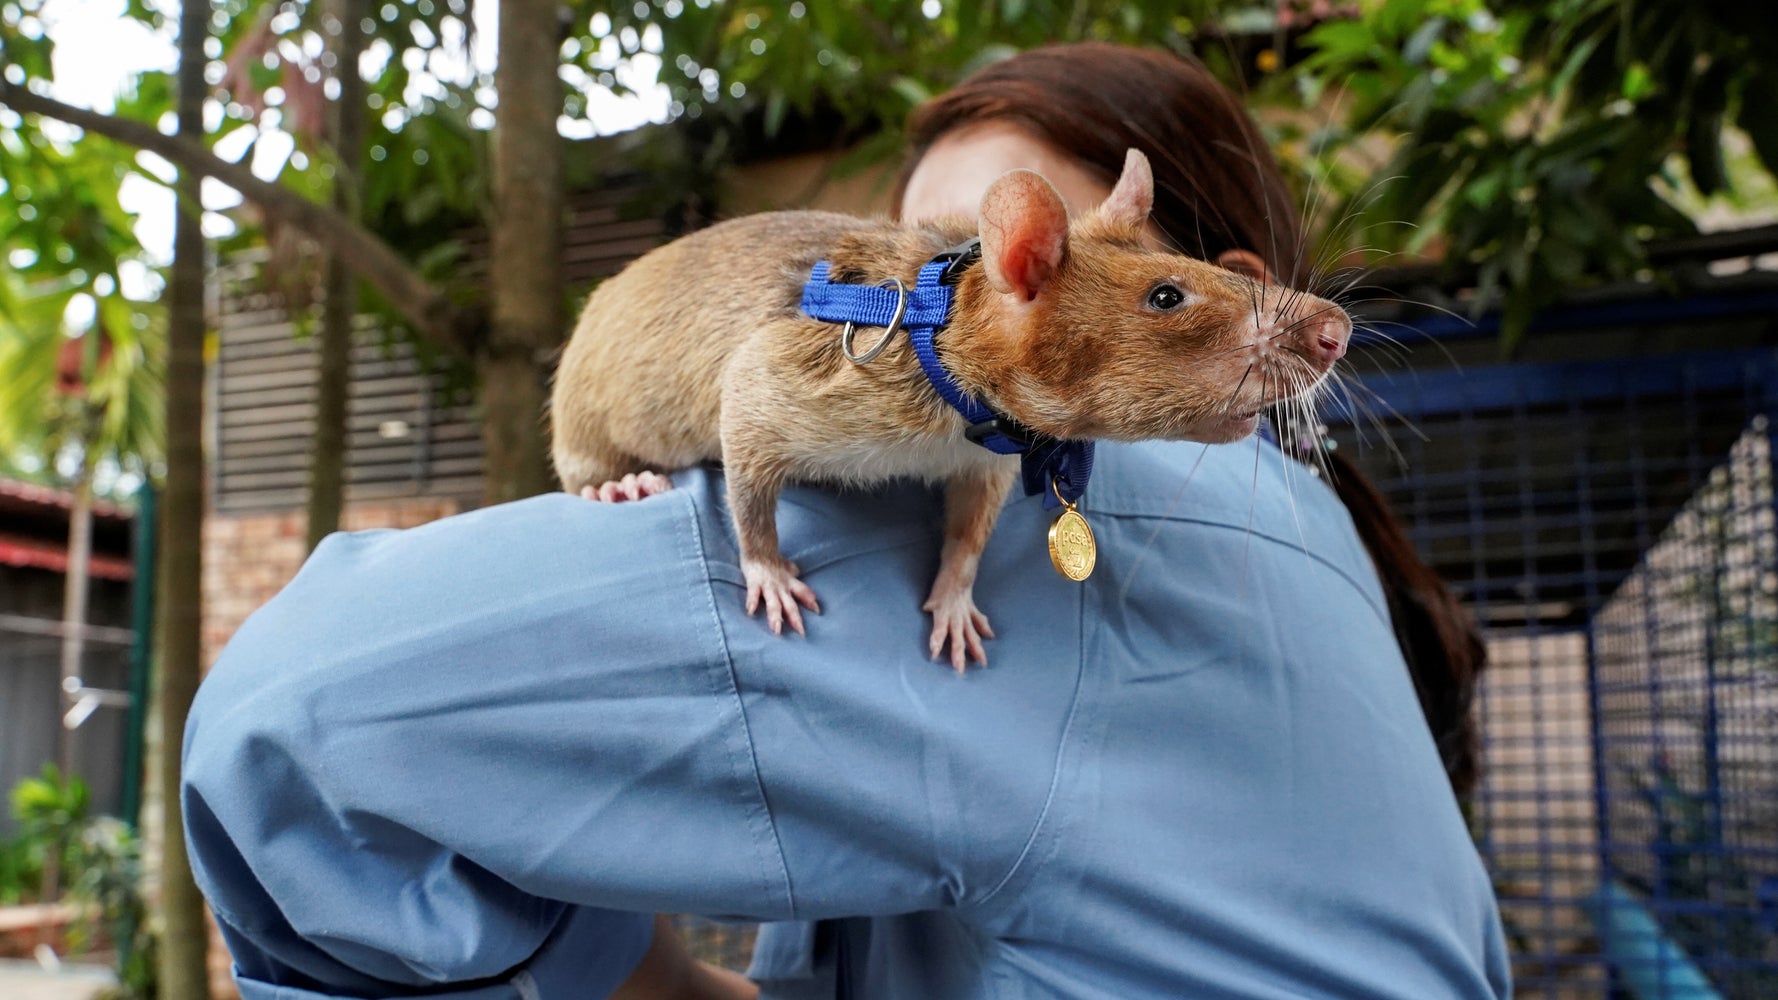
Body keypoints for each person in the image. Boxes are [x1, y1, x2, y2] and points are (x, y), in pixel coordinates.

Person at [182, 42, 1509, 1000]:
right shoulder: (1314, 549)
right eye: (909, 261)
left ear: (1203, 281)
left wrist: (598, 966)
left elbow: (297, 721)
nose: (905, 302)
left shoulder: (1108, 500)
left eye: (974, 264)